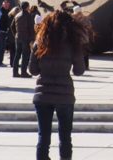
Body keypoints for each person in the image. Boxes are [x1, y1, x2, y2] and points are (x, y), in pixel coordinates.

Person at [29, 9, 88, 160]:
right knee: (65, 138)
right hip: (65, 95)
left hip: (43, 94)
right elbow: (79, 71)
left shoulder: (40, 42)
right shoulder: (72, 43)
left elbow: (33, 70)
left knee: (43, 136)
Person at [13, 1, 34, 78]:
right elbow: (31, 27)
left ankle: (15, 72)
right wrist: (32, 38)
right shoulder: (28, 15)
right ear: (27, 7)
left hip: (18, 37)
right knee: (25, 55)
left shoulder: (17, 15)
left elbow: (12, 26)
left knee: (17, 54)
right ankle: (23, 72)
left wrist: (16, 34)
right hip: (26, 38)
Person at [0, 0, 12, 68]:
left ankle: (0, 62)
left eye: (8, 5)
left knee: (3, 47)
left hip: (4, 31)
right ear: (3, 4)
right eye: (6, 5)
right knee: (0, 47)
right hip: (0, 32)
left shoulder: (7, 11)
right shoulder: (0, 11)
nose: (7, 6)